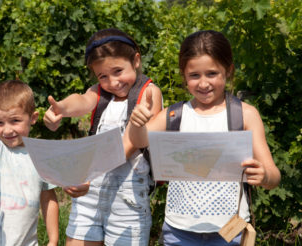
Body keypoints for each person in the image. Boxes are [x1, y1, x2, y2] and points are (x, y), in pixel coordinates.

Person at [127, 30, 281, 245]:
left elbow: (274, 175)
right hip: (178, 231)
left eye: (212, 74)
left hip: (230, 231)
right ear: (184, 75)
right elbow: (139, 140)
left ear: (228, 71)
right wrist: (136, 123)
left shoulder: (244, 115)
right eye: (194, 75)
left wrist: (264, 176)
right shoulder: (174, 115)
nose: (203, 83)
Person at [43, 28, 163, 246]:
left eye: (118, 71)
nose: (113, 82)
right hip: (90, 191)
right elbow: (81, 100)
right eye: (103, 76)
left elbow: (131, 143)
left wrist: (89, 172)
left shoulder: (148, 93)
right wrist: (61, 108)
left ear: (136, 60)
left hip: (128, 198)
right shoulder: (100, 93)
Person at [0, 80, 59, 246]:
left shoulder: (41, 156)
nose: (7, 130)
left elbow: (48, 198)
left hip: (26, 242)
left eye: (15, 121)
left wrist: (53, 240)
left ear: (33, 118)